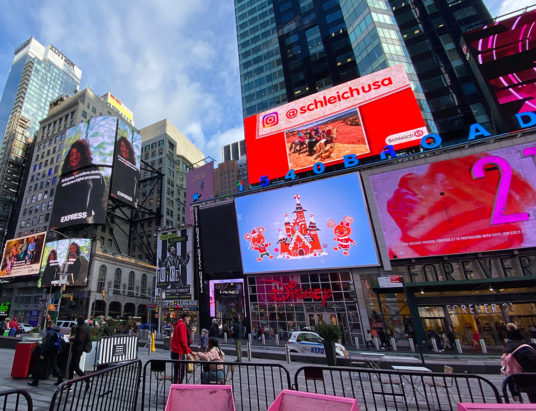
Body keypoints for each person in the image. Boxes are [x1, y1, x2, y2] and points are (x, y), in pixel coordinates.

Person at [50, 139, 106, 229]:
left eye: (77, 153)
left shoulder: (92, 169)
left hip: (87, 222)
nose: (74, 157)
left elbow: (100, 194)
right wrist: (54, 224)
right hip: (63, 225)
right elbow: (57, 203)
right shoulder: (65, 176)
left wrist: (97, 217)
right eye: (71, 155)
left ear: (83, 154)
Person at [502, 323, 536, 401]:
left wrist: (513, 391)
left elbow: (508, 369)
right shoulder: (525, 349)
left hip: (522, 381)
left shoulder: (507, 350)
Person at [29, 322, 63, 386]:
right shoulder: (58, 332)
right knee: (54, 366)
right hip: (54, 351)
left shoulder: (50, 333)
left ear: (50, 325)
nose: (47, 326)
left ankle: (35, 381)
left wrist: (42, 353)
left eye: (47, 325)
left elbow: (46, 344)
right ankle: (60, 379)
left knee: (39, 365)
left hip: (48, 351)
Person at [111, 136, 139, 206]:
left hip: (129, 204)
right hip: (114, 201)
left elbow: (138, 188)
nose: (125, 150)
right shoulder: (115, 164)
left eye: (127, 147)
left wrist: (134, 201)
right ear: (119, 149)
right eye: (122, 146)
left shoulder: (135, 169)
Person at [170, 312, 192, 384]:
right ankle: (177, 388)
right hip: (179, 352)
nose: (189, 322)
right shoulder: (182, 325)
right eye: (188, 320)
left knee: (178, 372)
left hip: (176, 351)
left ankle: (176, 386)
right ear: (186, 318)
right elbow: (183, 340)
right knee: (180, 373)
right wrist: (188, 352)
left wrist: (190, 351)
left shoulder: (178, 324)